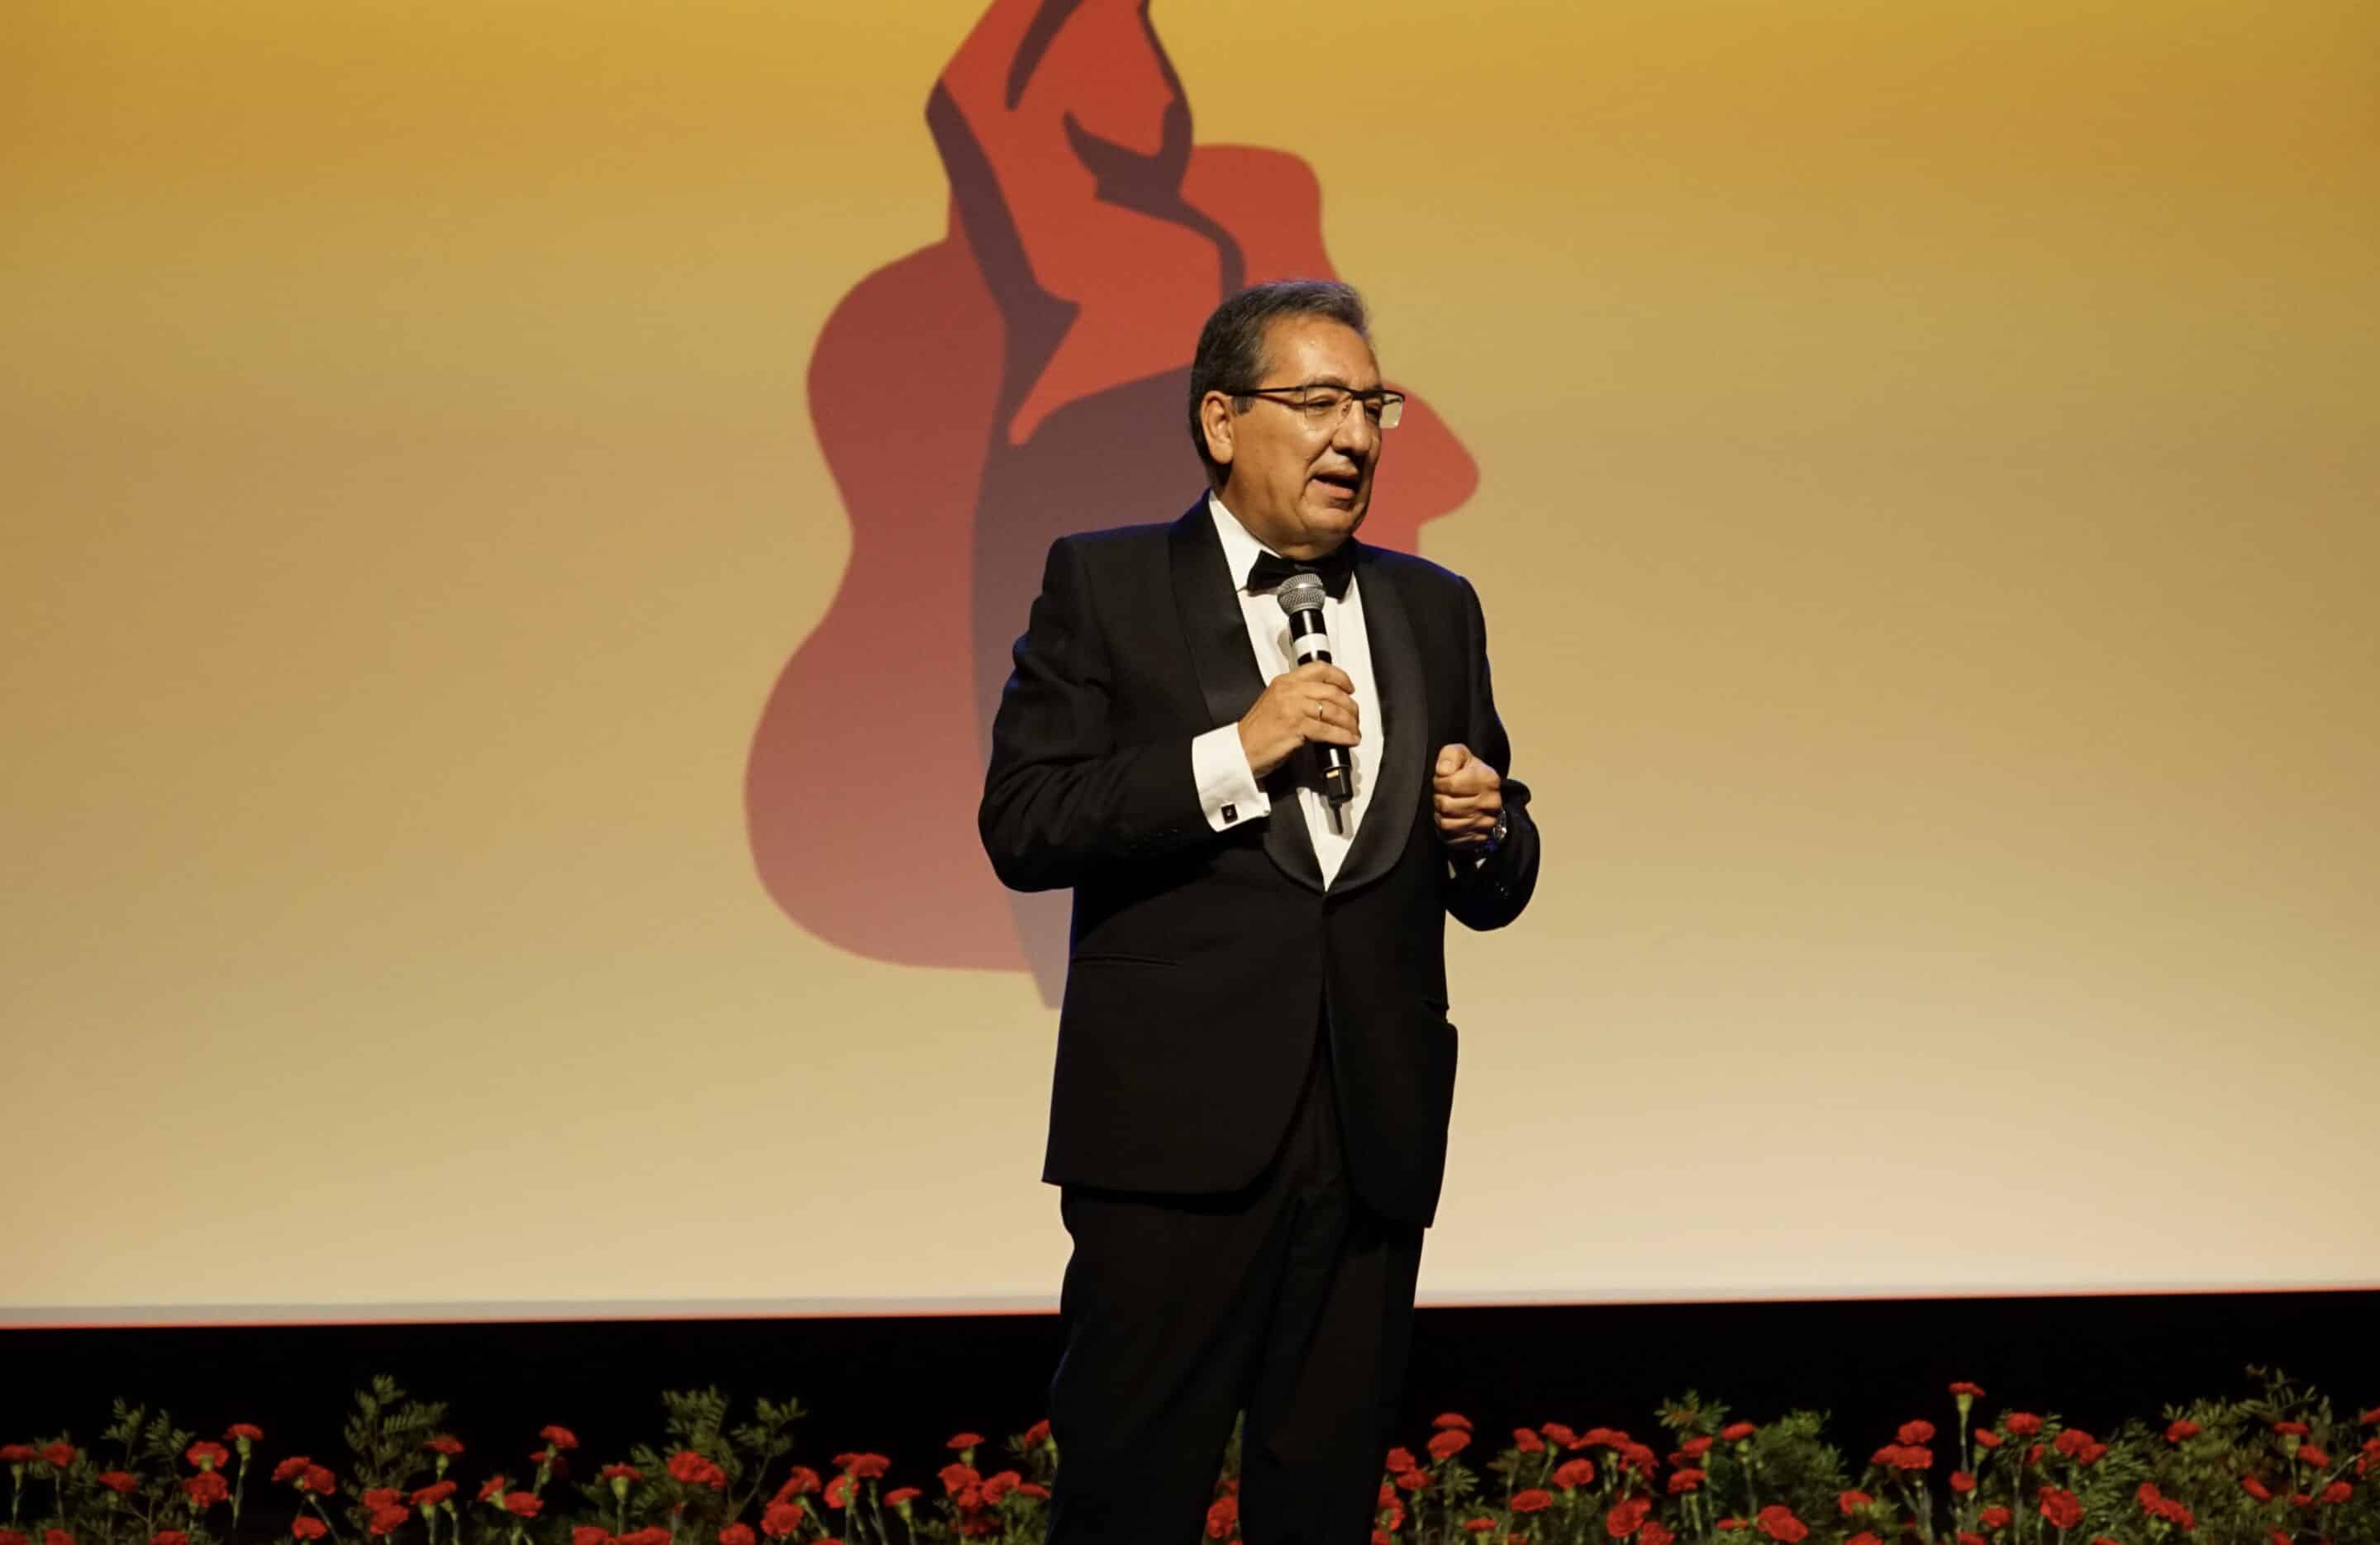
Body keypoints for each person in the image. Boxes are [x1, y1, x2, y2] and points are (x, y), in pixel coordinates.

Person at [978, 278, 1540, 1543]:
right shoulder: (1108, 586)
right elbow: (1024, 821)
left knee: (1325, 1505)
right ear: (1222, 420)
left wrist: (1488, 828)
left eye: (1374, 405)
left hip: (1371, 1141)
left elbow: (1498, 871)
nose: (1357, 435)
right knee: (1132, 1495)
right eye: (1319, 402)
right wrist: (1234, 752)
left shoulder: (1433, 606)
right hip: (1172, 1150)